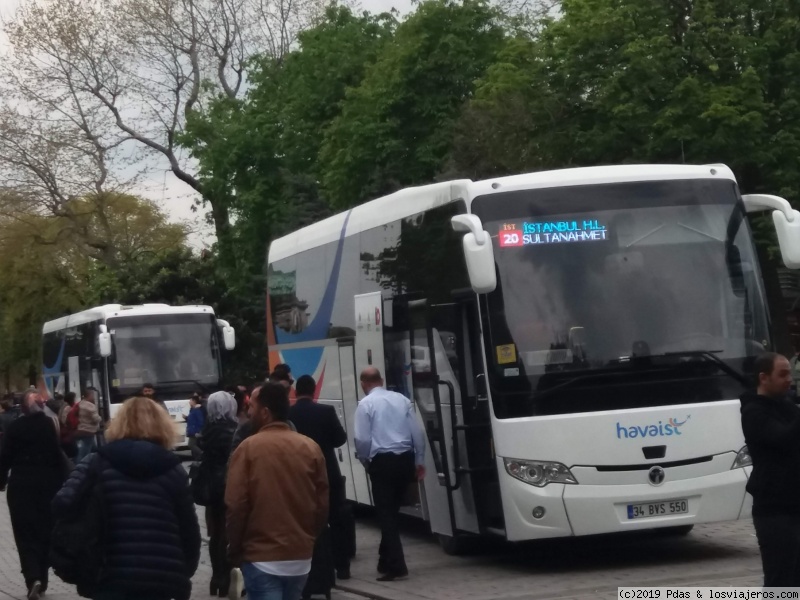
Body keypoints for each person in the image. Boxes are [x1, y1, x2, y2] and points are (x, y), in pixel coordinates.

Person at [52, 396, 201, 600]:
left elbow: (63, 502)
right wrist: (185, 569)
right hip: (161, 577)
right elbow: (189, 529)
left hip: (108, 574)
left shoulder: (96, 462)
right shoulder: (173, 469)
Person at [226, 382, 329, 600]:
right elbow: (322, 503)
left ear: (265, 412)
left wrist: (235, 549)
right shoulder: (310, 447)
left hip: (262, 556)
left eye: (252, 406)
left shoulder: (248, 449)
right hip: (300, 557)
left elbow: (236, 505)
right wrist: (309, 537)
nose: (248, 411)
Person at [354, 367, 426, 581]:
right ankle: (384, 559)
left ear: (362, 383)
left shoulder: (365, 405)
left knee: (385, 514)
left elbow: (362, 439)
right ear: (381, 380)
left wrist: (365, 460)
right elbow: (417, 433)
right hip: (405, 459)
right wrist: (419, 460)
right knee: (392, 512)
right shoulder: (401, 399)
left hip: (382, 462)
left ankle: (396, 565)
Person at [740, 352, 800, 587]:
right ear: (763, 378)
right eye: (783, 374)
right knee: (780, 580)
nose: (790, 380)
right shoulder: (753, 412)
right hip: (774, 511)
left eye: (790, 374)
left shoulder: (788, 407)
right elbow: (781, 438)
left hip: (795, 504)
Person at [0, 389, 66, 600]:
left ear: (23, 407)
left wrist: (1, 482)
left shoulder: (15, 427)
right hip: (50, 485)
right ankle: (43, 579)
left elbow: (4, 457)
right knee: (45, 531)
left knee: (24, 533)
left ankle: (32, 578)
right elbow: (63, 452)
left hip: (22, 486)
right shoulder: (52, 425)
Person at [288, 374, 350, 580]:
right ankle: (342, 567)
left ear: (296, 392)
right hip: (327, 472)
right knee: (336, 519)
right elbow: (340, 438)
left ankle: (310, 569)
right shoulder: (326, 411)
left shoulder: (289, 414)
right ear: (314, 391)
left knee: (303, 523)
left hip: (299, 476)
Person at [197, 391, 239, 597]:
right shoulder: (233, 430)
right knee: (230, 532)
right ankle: (230, 575)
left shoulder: (207, 430)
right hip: (230, 486)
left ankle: (217, 577)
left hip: (211, 489)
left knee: (215, 533)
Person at [73, 389, 102, 461]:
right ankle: (78, 466)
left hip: (81, 429)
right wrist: (100, 418)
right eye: (92, 395)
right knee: (84, 453)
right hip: (88, 431)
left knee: (94, 449)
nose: (93, 397)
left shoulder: (80, 404)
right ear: (89, 395)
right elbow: (96, 419)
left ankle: (98, 460)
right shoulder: (90, 406)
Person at [185, 393, 205, 460]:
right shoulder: (192, 410)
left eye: (190, 400)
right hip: (192, 430)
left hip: (194, 431)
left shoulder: (197, 410)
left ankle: (202, 454)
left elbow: (200, 421)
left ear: (194, 401)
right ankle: (198, 459)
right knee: (193, 445)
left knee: (191, 444)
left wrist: (198, 431)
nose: (189, 402)